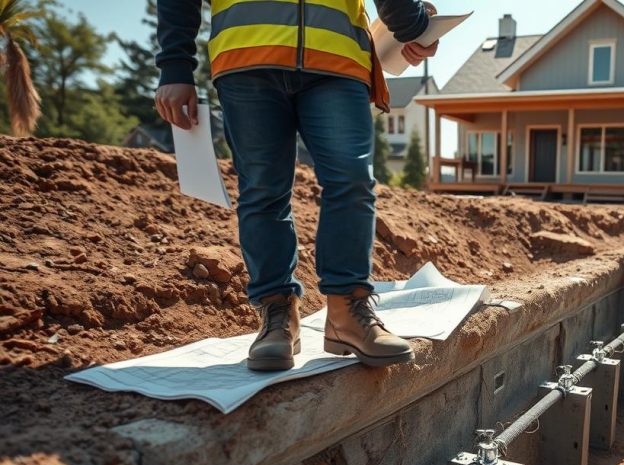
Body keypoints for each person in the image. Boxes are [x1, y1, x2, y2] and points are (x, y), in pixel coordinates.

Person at [154, 0, 438, 371]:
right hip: (247, 54)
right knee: (262, 191)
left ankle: (347, 311)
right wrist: (175, 65)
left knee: (352, 181)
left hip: (337, 57)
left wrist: (412, 23)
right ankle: (277, 314)